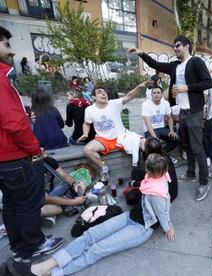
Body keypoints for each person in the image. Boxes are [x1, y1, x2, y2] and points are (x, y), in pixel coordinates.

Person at [22, 144, 178, 276]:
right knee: (90, 235)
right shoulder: (153, 178)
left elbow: (163, 211)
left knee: (98, 249)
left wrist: (168, 227)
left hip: (141, 228)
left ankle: (55, 272)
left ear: (151, 171)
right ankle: (47, 264)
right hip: (130, 216)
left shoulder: (157, 191)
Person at [0, 26, 64, 271]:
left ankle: (20, 248)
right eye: (6, 45)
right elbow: (13, 123)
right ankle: (35, 245)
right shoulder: (1, 79)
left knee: (13, 204)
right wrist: (35, 149)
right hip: (16, 157)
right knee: (27, 203)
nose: (11, 50)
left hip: (4, 158)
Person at [128, 35, 212, 201]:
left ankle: (204, 182)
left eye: (178, 45)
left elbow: (208, 83)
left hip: (194, 112)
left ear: (187, 46)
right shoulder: (176, 66)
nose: (175, 48)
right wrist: (141, 54)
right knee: (186, 145)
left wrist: (186, 88)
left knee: (197, 148)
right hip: (182, 112)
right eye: (174, 46)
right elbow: (156, 64)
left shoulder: (195, 62)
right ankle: (190, 174)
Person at [78, 82, 147, 181]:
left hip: (121, 136)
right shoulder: (89, 109)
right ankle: (104, 167)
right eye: (99, 92)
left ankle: (149, 167)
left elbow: (129, 96)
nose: (103, 94)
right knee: (87, 149)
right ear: (93, 97)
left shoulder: (114, 103)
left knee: (145, 142)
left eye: (104, 92)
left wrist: (138, 87)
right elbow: (87, 123)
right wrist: (85, 133)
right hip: (103, 139)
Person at [142, 85, 179, 152]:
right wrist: (155, 137)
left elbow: (169, 118)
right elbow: (147, 123)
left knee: (176, 139)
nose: (156, 95)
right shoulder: (145, 104)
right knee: (153, 143)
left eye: (158, 93)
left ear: (161, 94)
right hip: (150, 130)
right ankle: (161, 156)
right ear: (151, 94)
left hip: (161, 128)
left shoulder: (165, 103)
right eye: (154, 93)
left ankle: (163, 154)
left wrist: (171, 130)